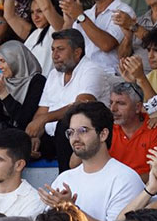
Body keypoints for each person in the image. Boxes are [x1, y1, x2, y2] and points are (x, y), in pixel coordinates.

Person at [39, 102, 143, 221]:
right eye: (71, 132)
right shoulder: (64, 179)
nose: (75, 138)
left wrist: (70, 210)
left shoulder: (125, 179)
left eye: (83, 130)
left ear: (103, 134)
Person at [28, 29, 106, 170]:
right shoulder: (53, 74)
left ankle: (64, 183)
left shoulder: (91, 70)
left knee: (64, 125)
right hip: (51, 138)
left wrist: (44, 119)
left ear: (77, 52)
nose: (54, 55)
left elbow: (81, 105)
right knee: (14, 139)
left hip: (81, 136)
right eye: (52, 50)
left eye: (60, 50)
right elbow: (42, 110)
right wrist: (35, 135)